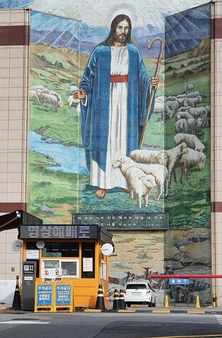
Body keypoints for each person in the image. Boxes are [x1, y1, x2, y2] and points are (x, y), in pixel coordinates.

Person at [74, 14, 159, 199]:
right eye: (120, 27)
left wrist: (149, 82)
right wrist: (84, 93)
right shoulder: (100, 52)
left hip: (127, 102)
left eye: (126, 28)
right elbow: (88, 78)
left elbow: (142, 77)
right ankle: (103, 183)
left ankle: (125, 182)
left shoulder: (133, 52)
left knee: (123, 139)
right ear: (113, 28)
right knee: (107, 140)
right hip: (105, 103)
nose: (123, 31)